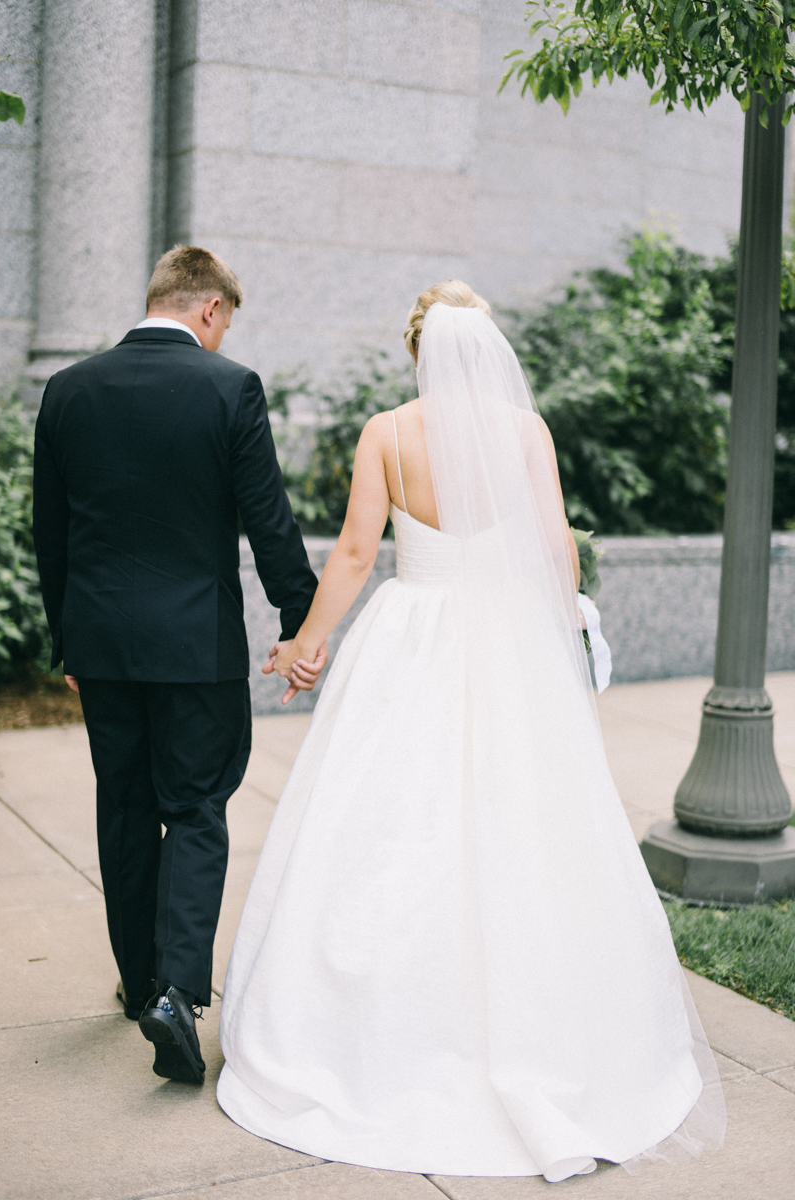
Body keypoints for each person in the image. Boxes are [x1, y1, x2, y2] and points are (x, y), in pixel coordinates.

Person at [216, 281, 726, 1182]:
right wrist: (571, 629)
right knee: (522, 826)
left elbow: (357, 553)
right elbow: (555, 543)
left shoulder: (388, 430)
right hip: (507, 644)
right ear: (487, 349)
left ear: (417, 349)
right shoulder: (525, 433)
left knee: (388, 827)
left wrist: (308, 642)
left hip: (410, 636)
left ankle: (375, 1035)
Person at [32, 245, 326, 1086]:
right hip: (196, 649)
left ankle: (139, 985)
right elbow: (268, 521)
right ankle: (178, 995)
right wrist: (299, 622)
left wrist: (67, 643)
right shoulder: (227, 388)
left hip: (104, 646)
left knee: (125, 806)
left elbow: (51, 534)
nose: (224, 336)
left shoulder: (68, 390)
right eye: (225, 322)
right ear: (207, 309)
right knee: (195, 808)